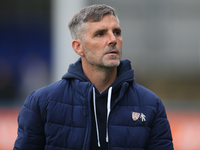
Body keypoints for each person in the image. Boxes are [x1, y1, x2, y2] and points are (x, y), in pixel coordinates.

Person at [14, 4, 173, 150]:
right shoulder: (41, 103)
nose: (112, 40)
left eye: (116, 32)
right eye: (100, 34)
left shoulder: (150, 105)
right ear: (79, 47)